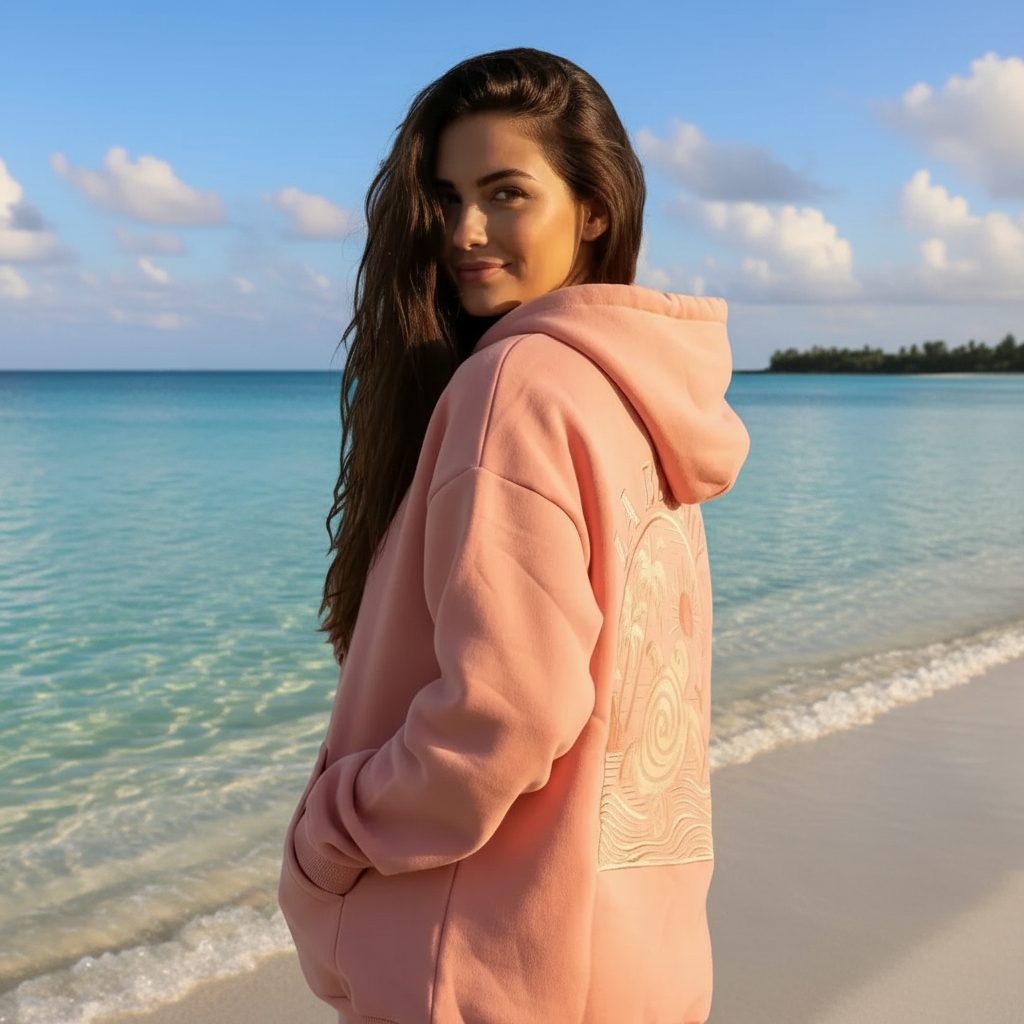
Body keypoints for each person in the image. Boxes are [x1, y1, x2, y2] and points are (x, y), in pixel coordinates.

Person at [279, 47, 749, 1024]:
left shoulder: (515, 388)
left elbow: (505, 713)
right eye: (446, 199)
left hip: (488, 972)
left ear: (594, 208)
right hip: (637, 964)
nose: (465, 231)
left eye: (504, 193)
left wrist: (330, 828)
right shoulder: (640, 402)